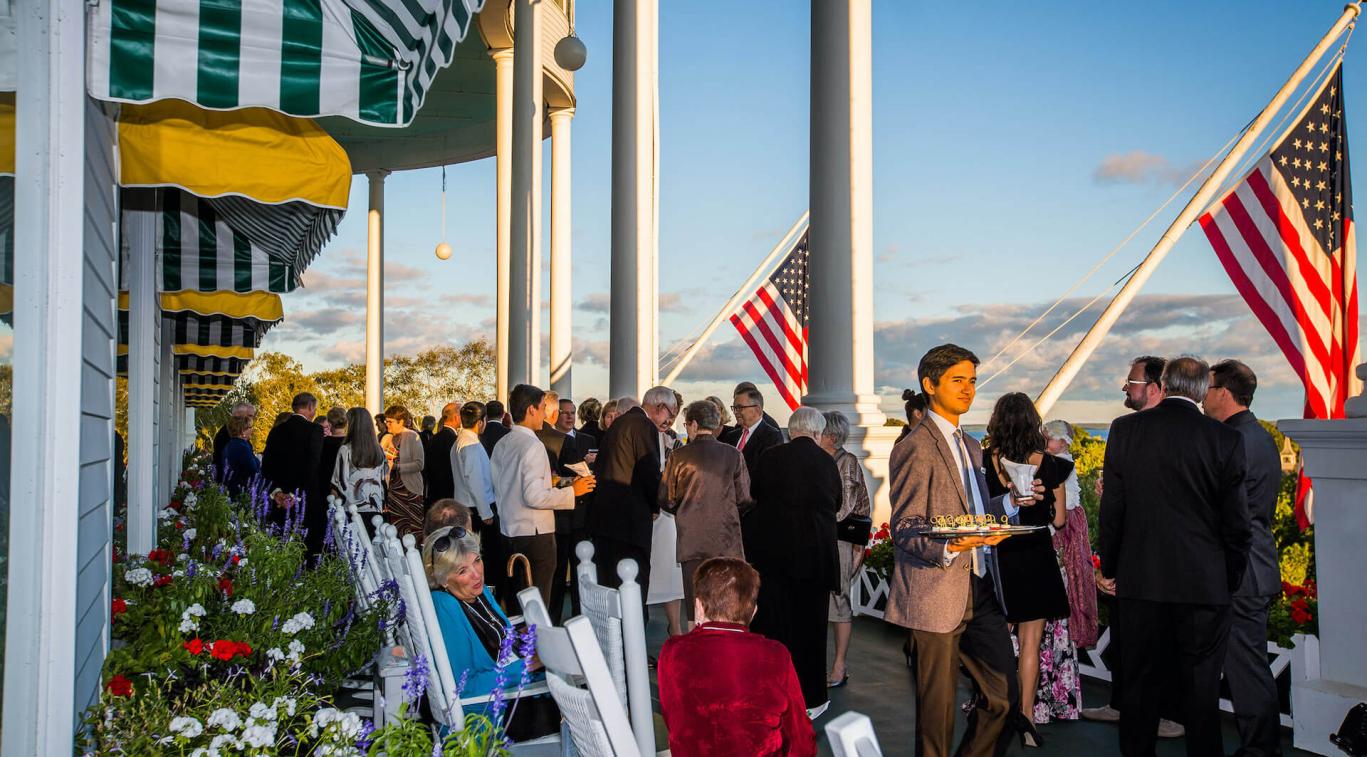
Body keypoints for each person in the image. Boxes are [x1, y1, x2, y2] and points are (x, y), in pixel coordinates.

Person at [885, 344, 1035, 757]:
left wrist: (1009, 505)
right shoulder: (915, 447)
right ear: (930, 385)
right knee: (937, 717)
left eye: (972, 380)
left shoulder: (970, 445)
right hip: (935, 590)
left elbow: (975, 511)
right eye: (958, 380)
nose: (968, 389)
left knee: (1004, 697)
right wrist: (950, 546)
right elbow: (905, 526)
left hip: (980, 587)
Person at [1099, 356, 1251, 757]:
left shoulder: (1125, 430)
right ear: (1202, 391)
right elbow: (1237, 524)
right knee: (1201, 698)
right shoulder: (1224, 439)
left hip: (1141, 583)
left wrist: (1112, 569)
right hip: (1204, 588)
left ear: (1163, 385)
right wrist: (1228, 578)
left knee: (1138, 693)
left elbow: (1112, 510)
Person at [1082, 355, 1185, 740]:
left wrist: (1107, 564)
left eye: (1132, 381)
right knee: (1126, 634)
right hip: (1133, 551)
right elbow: (1117, 502)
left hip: (1166, 557)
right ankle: (1122, 703)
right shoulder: (1125, 428)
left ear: (1156, 388)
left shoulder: (1173, 432)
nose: (1126, 388)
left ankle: (1169, 713)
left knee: (1164, 637)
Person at [981, 392, 1072, 747]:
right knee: (1030, 644)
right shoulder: (1052, 465)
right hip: (1036, 557)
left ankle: (993, 711)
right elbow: (1061, 521)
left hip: (1000, 557)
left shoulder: (986, 461)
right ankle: (1028, 720)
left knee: (995, 641)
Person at [657, 558, 816, 757]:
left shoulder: (673, 651)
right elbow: (799, 735)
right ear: (753, 612)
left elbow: (673, 718)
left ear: (698, 606)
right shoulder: (775, 655)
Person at [1204, 359, 1283, 757]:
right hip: (1252, 567)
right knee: (1244, 666)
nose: (1203, 394)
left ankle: (1261, 751)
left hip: (1243, 573)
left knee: (1247, 670)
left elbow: (1228, 515)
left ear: (1224, 393)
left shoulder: (1237, 441)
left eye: (1209, 386)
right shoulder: (1255, 435)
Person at [743, 406, 841, 718]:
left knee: (774, 627)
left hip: (773, 556)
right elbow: (836, 502)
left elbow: (754, 492)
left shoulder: (770, 457)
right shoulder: (827, 462)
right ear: (817, 432)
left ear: (791, 429)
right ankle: (811, 698)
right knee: (810, 632)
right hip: (814, 559)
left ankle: (771, 692)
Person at [423, 526, 560, 741]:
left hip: (511, 694)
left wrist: (520, 637)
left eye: (477, 560)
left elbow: (495, 638)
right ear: (442, 579)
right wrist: (526, 666)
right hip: (487, 714)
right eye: (462, 571)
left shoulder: (478, 592)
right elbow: (465, 686)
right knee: (580, 706)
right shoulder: (446, 607)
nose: (476, 574)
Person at [491, 384, 596, 604]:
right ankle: (535, 640)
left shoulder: (503, 443)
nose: (545, 415)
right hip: (535, 534)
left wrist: (554, 482)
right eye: (542, 408)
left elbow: (504, 486)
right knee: (537, 605)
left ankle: (517, 640)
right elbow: (534, 496)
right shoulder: (532, 445)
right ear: (531, 409)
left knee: (515, 602)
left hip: (508, 531)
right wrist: (572, 491)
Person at [659, 399, 751, 627]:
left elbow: (665, 498)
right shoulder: (733, 455)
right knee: (727, 605)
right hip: (726, 541)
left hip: (692, 540)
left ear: (693, 424)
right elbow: (745, 498)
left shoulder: (679, 456)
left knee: (695, 607)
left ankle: (697, 655)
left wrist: (684, 509)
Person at [589, 391, 672, 606]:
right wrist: (656, 504)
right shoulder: (643, 426)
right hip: (630, 522)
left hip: (606, 519)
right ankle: (634, 637)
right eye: (669, 413)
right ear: (660, 407)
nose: (670, 420)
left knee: (609, 584)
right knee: (634, 584)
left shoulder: (619, 422)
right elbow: (649, 471)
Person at [1037, 419, 1095, 726]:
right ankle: (1059, 696)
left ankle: (1044, 696)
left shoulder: (1059, 468)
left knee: (1049, 627)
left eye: (1052, 438)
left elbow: (1061, 515)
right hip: (1056, 553)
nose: (1047, 441)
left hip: (1052, 552)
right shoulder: (1058, 466)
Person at [818, 410, 871, 690]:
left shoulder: (846, 462)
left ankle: (839, 664)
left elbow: (845, 508)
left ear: (832, 436)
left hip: (841, 539)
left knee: (839, 602)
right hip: (824, 537)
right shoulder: (820, 460)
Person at [450, 401, 503, 598]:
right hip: (477, 509)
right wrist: (486, 512)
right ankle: (488, 599)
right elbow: (474, 481)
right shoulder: (470, 444)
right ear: (482, 421)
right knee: (486, 559)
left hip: (468, 506)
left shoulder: (459, 441)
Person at [550, 396, 595, 620]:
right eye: (564, 412)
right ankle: (553, 620)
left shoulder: (588, 438)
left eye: (572, 412)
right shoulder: (549, 441)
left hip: (583, 516)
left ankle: (582, 617)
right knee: (557, 573)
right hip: (558, 516)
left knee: (582, 571)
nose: (569, 416)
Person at [647, 389, 687, 636]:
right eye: (668, 414)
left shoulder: (674, 439)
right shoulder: (644, 433)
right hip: (648, 509)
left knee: (669, 571)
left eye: (675, 415)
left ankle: (675, 628)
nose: (670, 420)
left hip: (667, 513)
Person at [261, 393, 324, 534]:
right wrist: (294, 495)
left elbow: (266, 465)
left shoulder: (276, 431)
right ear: (310, 407)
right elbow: (313, 465)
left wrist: (277, 493)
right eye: (314, 409)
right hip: (304, 502)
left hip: (278, 501)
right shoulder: (315, 430)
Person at [330, 407, 389, 540]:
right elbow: (384, 477)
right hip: (376, 508)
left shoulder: (346, 450)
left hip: (352, 509)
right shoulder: (379, 450)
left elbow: (339, 483)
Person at [718, 385, 783, 478]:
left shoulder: (772, 436)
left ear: (757, 410)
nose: (735, 412)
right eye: (734, 408)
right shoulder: (730, 436)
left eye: (740, 407)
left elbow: (767, 473)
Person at [383, 405, 426, 540]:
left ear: (401, 421)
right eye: (386, 421)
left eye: (390, 422)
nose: (387, 424)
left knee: (414, 530)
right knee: (395, 529)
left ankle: (415, 558)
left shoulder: (413, 437)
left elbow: (420, 464)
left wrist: (397, 466)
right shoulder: (386, 439)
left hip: (410, 491)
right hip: (392, 492)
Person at [426, 403, 461, 506]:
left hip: (434, 493)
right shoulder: (455, 440)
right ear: (456, 417)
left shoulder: (433, 438)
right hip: (451, 494)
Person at [213, 401, 256, 481]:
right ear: (239, 416)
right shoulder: (231, 437)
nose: (251, 419)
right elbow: (251, 467)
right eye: (249, 416)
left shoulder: (233, 435)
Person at [221, 414, 260, 497]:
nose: (252, 429)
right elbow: (253, 470)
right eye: (250, 427)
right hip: (241, 493)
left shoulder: (230, 444)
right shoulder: (242, 447)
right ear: (242, 431)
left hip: (231, 489)